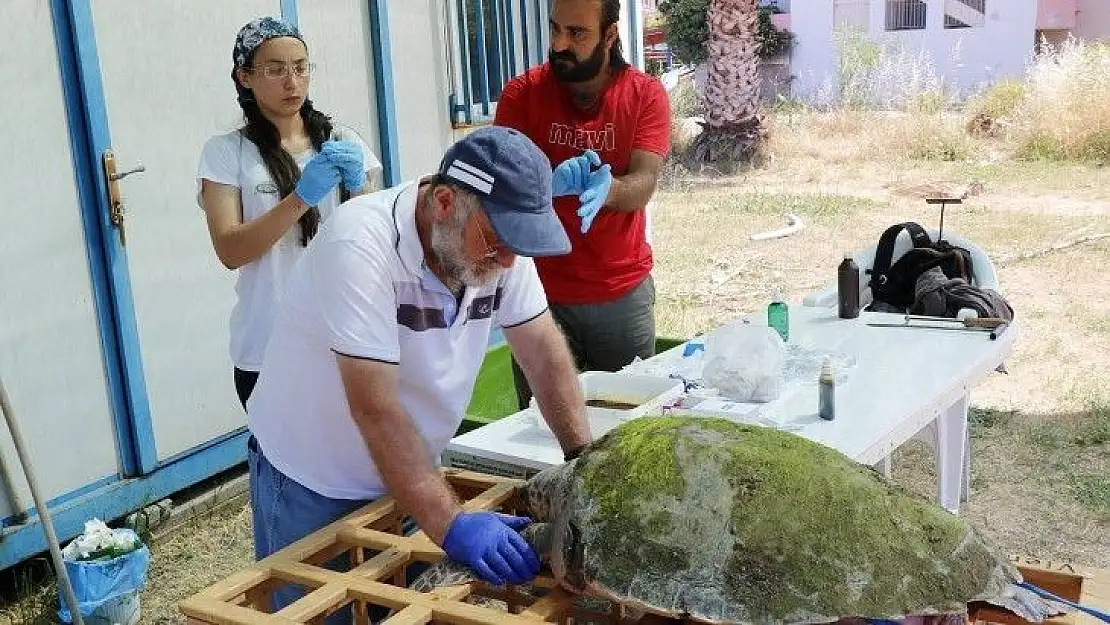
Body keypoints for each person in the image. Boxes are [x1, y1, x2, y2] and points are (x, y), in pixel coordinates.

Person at [245, 126, 593, 619]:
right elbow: (376, 409)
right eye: (497, 242)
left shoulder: (498, 247)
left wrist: (583, 462)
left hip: (406, 471)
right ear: (445, 202)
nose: (510, 260)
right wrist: (452, 525)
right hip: (314, 477)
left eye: (520, 246)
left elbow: (542, 353)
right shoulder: (360, 244)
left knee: (397, 609)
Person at [493, 0, 672, 410]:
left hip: (620, 295)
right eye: (555, 29)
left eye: (577, 33)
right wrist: (546, 190)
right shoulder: (522, 95)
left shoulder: (644, 95)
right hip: (539, 295)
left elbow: (644, 181)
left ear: (609, 35)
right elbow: (501, 189)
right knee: (543, 433)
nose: (559, 44)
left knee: (629, 438)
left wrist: (608, 190)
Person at [196, 17, 382, 410]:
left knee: (351, 461)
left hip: (344, 336)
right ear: (245, 77)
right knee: (285, 467)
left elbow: (379, 238)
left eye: (300, 67)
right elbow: (231, 250)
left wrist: (362, 191)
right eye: (275, 70)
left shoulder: (342, 141)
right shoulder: (227, 153)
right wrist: (300, 197)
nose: (292, 81)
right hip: (268, 348)